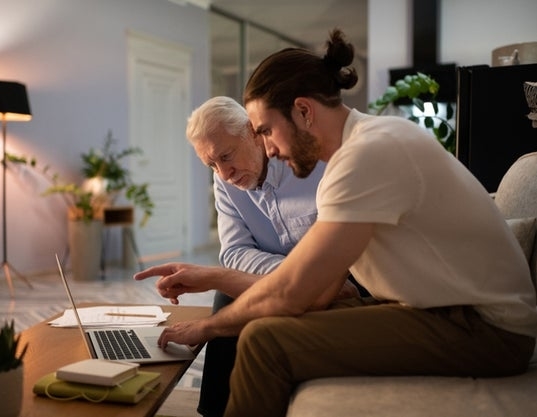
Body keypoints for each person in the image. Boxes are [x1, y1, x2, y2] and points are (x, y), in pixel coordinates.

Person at [135, 29, 537, 417]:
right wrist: (217, 278)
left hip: (487, 329)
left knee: (264, 342)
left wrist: (207, 329)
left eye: (266, 131)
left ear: (304, 111)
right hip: (435, 311)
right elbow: (321, 289)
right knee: (260, 328)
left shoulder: (366, 154)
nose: (269, 148)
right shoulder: (359, 147)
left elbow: (300, 292)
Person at [184, 96, 359, 416]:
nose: (223, 173)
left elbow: (342, 248)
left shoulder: (313, 163)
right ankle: (215, 411)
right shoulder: (226, 181)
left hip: (342, 277)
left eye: (226, 156)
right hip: (294, 278)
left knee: (234, 293)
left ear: (253, 133)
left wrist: (307, 279)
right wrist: (293, 277)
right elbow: (235, 252)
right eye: (212, 164)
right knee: (229, 294)